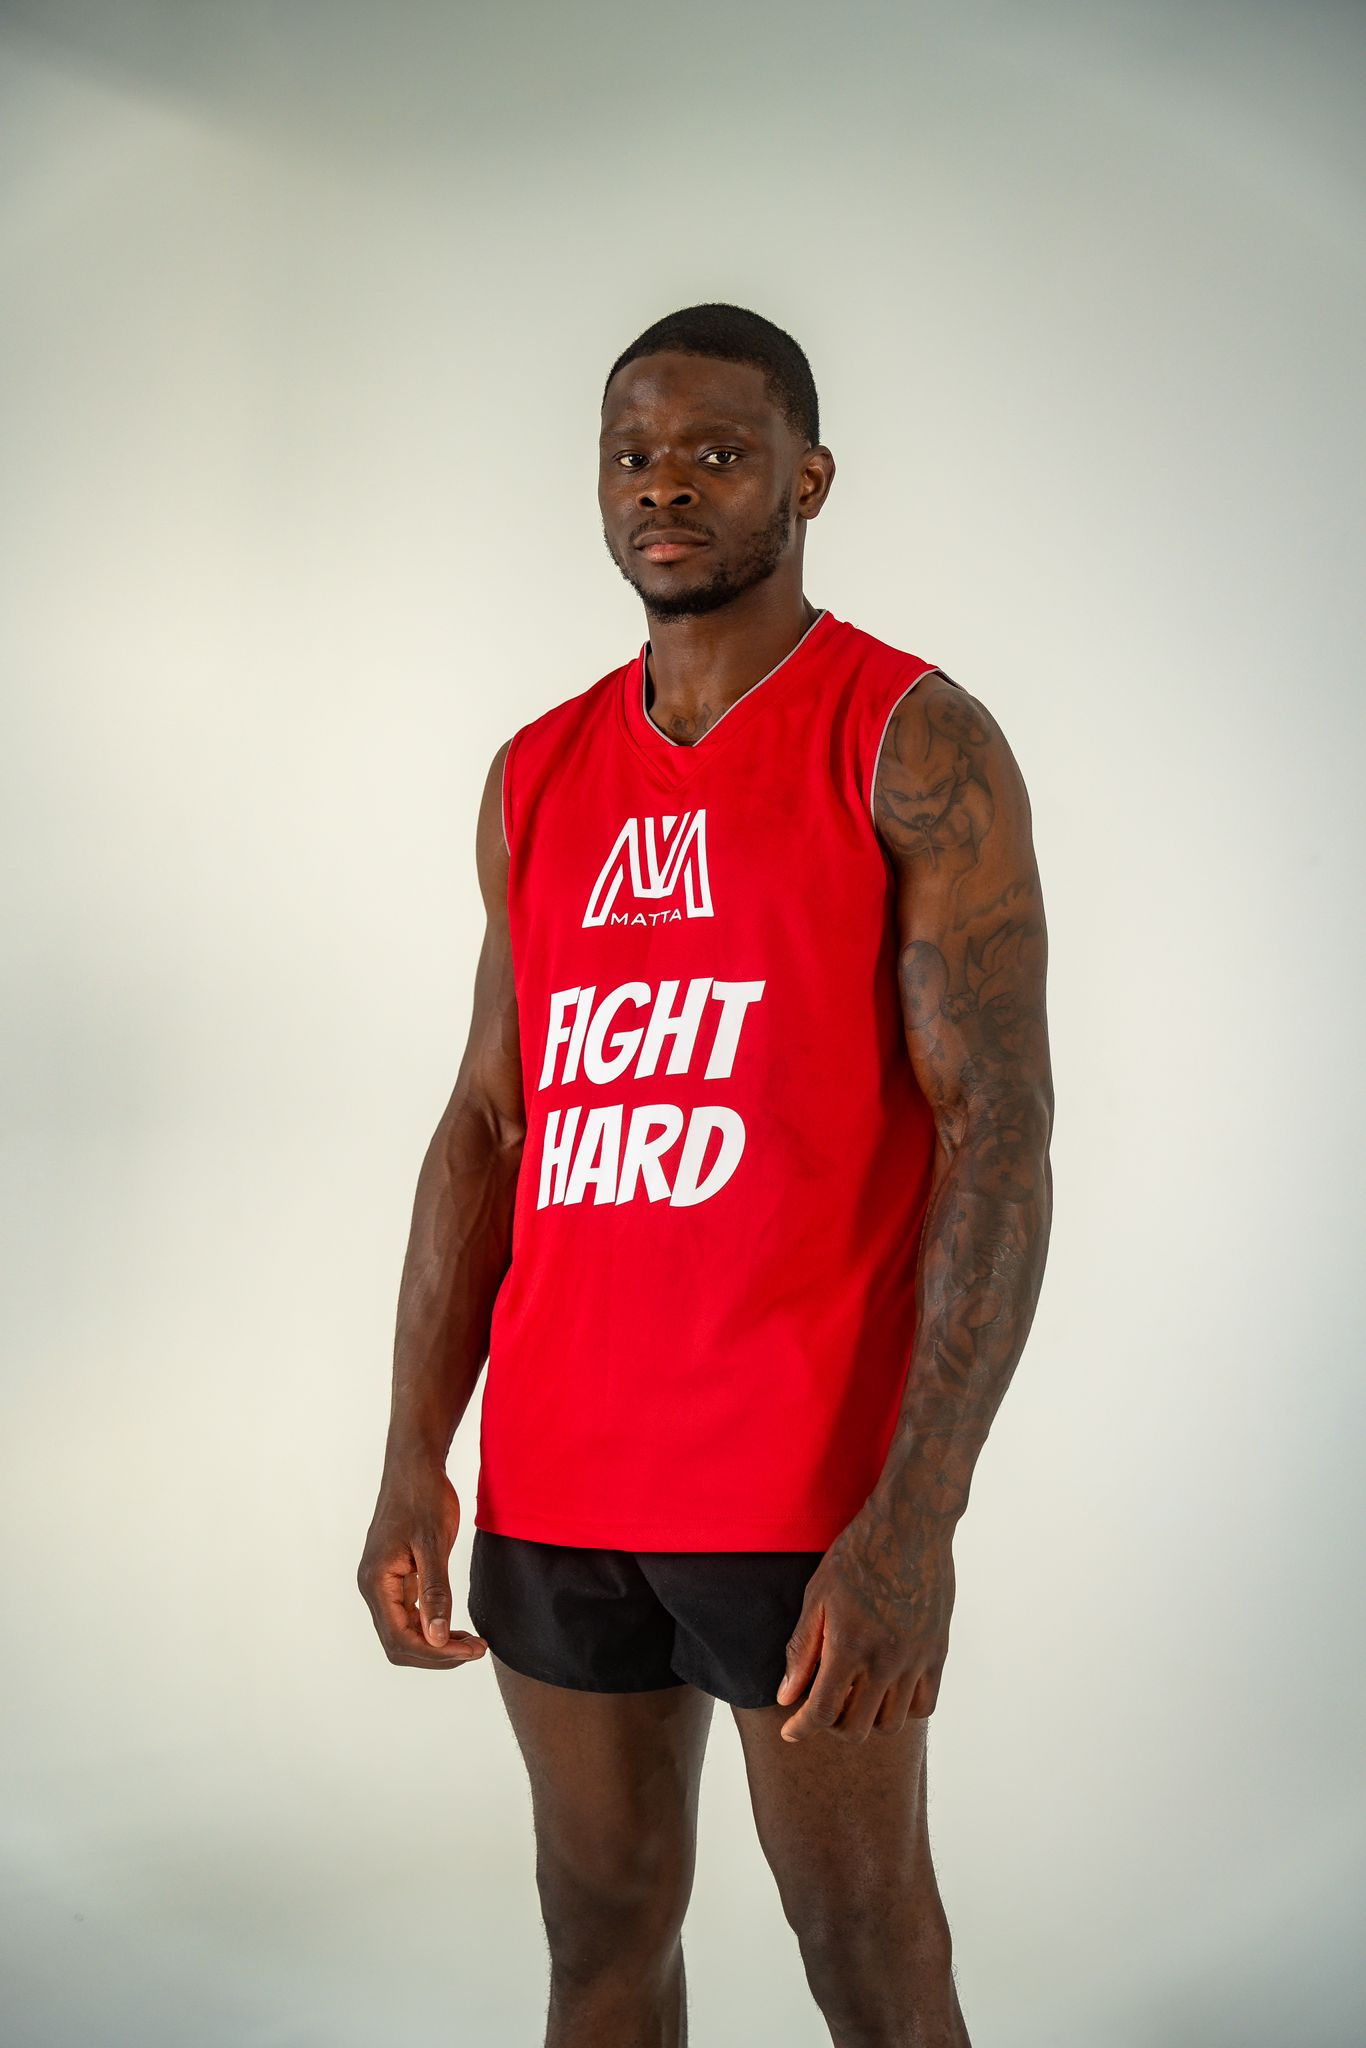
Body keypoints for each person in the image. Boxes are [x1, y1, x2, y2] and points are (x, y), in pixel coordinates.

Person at [357, 301, 1054, 2048]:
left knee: (863, 1951)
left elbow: (998, 1136)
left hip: (801, 1490)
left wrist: (916, 1518)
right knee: (598, 1934)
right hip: (556, 1474)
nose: (664, 486)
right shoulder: (536, 772)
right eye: (633, 454)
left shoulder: (909, 740)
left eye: (717, 453)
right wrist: (412, 1456)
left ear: (807, 481)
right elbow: (489, 1122)